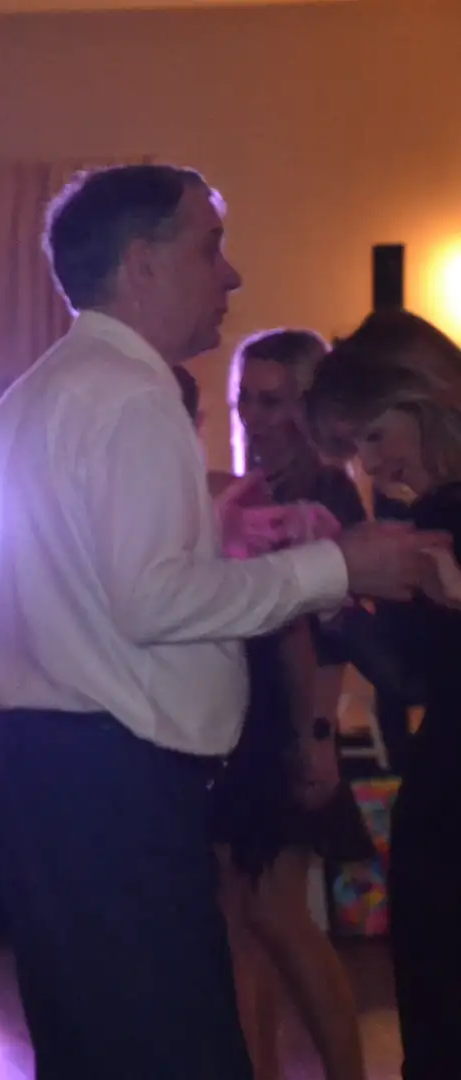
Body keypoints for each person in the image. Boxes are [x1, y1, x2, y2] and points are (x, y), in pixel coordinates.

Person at [0, 163, 445, 1080]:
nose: (230, 275)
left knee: (96, 1050)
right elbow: (152, 601)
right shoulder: (131, 393)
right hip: (109, 782)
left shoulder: (42, 388)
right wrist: (339, 565)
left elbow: (94, 587)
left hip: (53, 772)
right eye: (211, 247)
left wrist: (215, 543)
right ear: (142, 264)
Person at [186, 346, 375, 1080]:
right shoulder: (248, 491)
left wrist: (316, 733)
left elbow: (333, 633)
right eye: (246, 400)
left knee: (276, 913)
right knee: (239, 917)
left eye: (274, 400)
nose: (255, 417)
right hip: (240, 716)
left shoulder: (329, 496)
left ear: (307, 406)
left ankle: (347, 1071)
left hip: (286, 720)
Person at [305, 310, 461, 1080]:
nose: (371, 464)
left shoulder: (439, 516)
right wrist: (341, 608)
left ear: (420, 397)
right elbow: (418, 675)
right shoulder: (424, 515)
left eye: (373, 436)